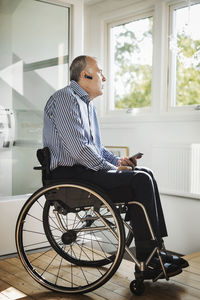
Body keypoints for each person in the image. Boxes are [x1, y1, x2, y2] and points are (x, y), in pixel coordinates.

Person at [43, 55, 188, 279]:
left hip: (85, 171)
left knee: (144, 172)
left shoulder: (87, 105)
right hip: (70, 175)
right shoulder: (65, 99)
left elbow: (96, 149)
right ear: (85, 75)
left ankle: (155, 250)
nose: (104, 78)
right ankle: (149, 258)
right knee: (140, 180)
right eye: (99, 72)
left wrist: (118, 163)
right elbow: (79, 150)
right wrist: (108, 168)